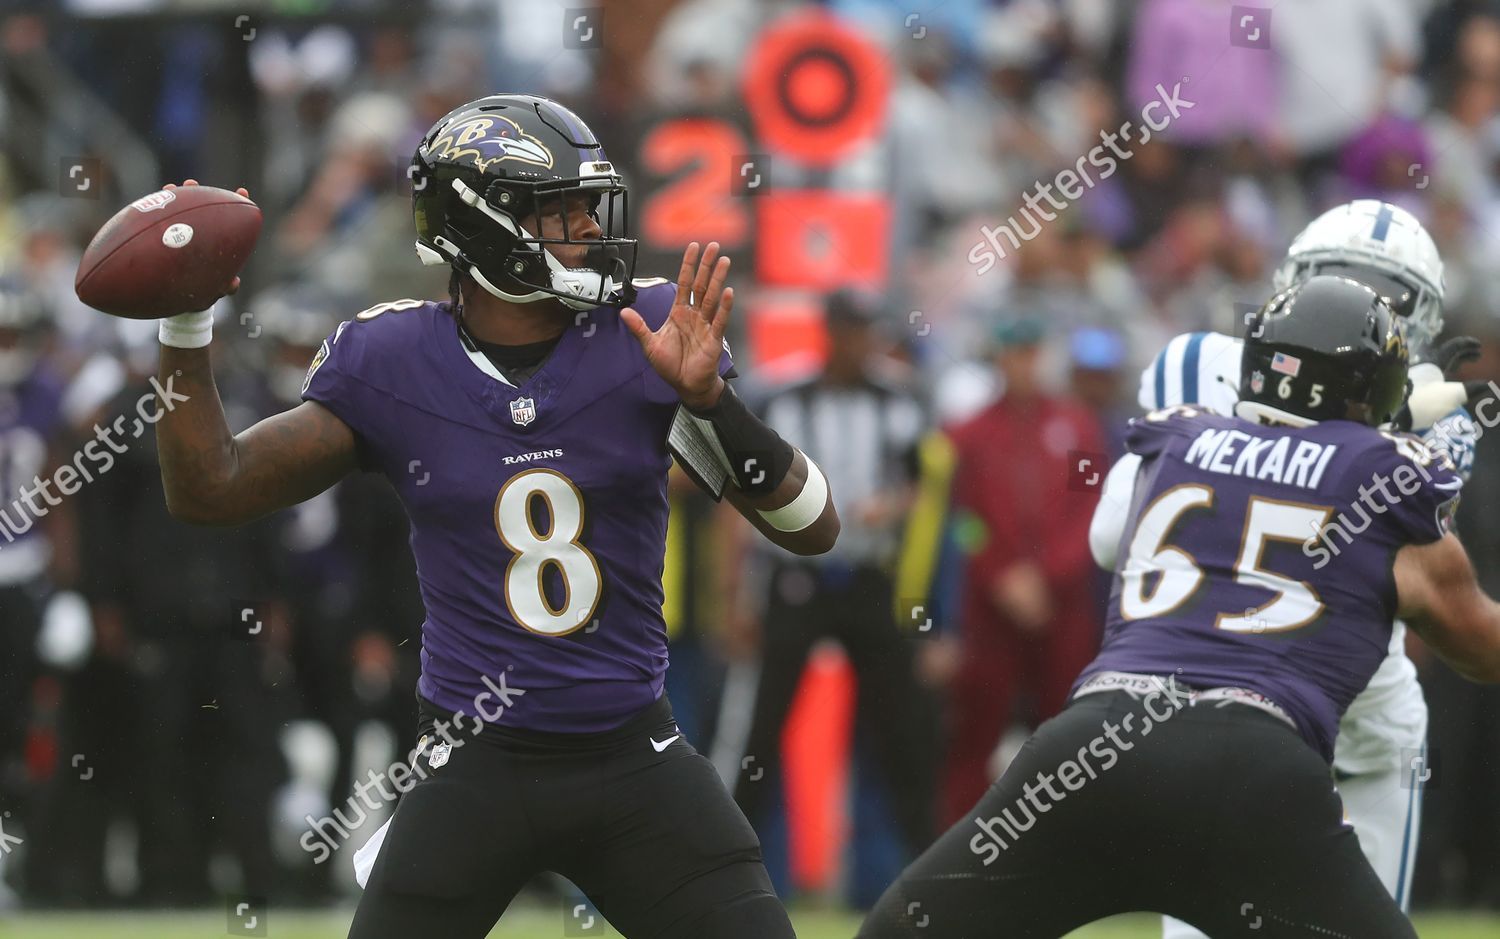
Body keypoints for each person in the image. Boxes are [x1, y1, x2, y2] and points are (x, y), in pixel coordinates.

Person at [144, 94, 837, 939]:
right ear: (482, 226)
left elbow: (812, 524)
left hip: (632, 755)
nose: (590, 226)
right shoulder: (391, 360)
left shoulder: (645, 331)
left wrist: (710, 402)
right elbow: (210, 488)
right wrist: (185, 324)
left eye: (590, 203)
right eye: (562, 209)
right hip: (473, 766)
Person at [857, 275, 1500, 938]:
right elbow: (1481, 649)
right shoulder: (1392, 476)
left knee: (903, 929)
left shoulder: (1176, 440)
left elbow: (1117, 534)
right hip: (1252, 766)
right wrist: (1435, 475)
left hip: (1092, 748)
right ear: (1374, 390)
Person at [1140, 200, 1474, 936]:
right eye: (1342, 283)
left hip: (1293, 719)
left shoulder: (1430, 414)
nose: (1360, 310)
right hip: (1275, 711)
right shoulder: (1205, 364)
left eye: (1389, 298)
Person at [937, 317, 1107, 826]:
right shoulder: (968, 435)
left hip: (1065, 607)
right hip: (990, 611)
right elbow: (962, 522)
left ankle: (1069, 845)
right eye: (1013, 354)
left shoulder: (1079, 427)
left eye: (1031, 352)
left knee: (1068, 731)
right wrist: (1001, 575)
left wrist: (1048, 575)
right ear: (999, 360)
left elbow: (1091, 508)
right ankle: (959, 849)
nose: (1023, 365)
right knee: (976, 730)